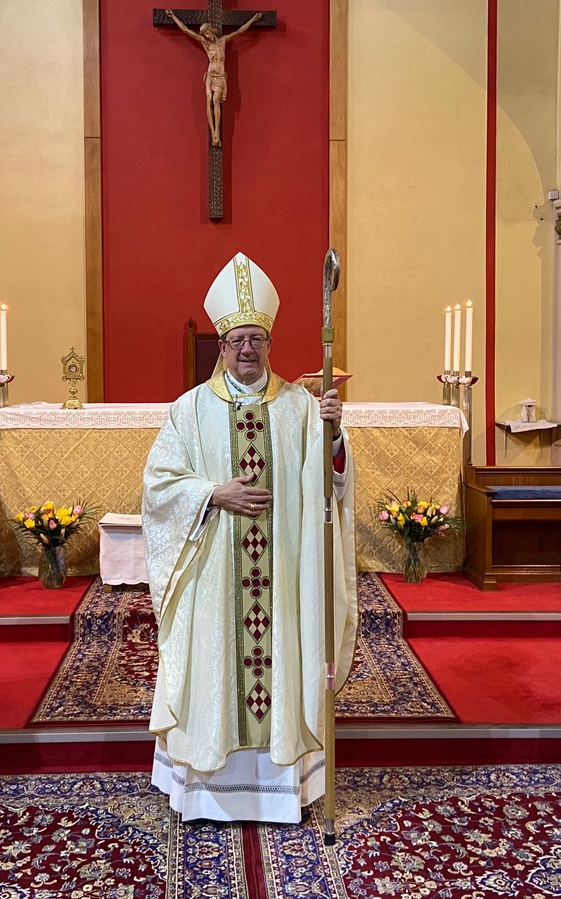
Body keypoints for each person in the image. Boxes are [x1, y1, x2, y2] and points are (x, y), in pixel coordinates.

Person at [143, 251, 358, 823]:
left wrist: (333, 436)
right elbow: (159, 485)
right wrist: (214, 493)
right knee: (214, 673)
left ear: (269, 342)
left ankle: (283, 789)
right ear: (221, 344)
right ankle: (205, 791)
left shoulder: (300, 409)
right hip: (215, 580)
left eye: (256, 339)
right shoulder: (188, 411)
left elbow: (330, 484)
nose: (247, 349)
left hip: (280, 579)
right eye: (237, 339)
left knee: (282, 661)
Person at [164, 8, 262, 147]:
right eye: (204, 35)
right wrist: (173, 17)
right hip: (210, 75)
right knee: (208, 100)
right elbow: (186, 30)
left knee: (216, 102)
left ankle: (217, 131)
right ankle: (213, 133)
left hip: (220, 76)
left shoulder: (222, 41)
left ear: (212, 31)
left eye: (207, 33)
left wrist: (253, 20)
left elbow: (240, 31)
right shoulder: (205, 43)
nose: (207, 37)